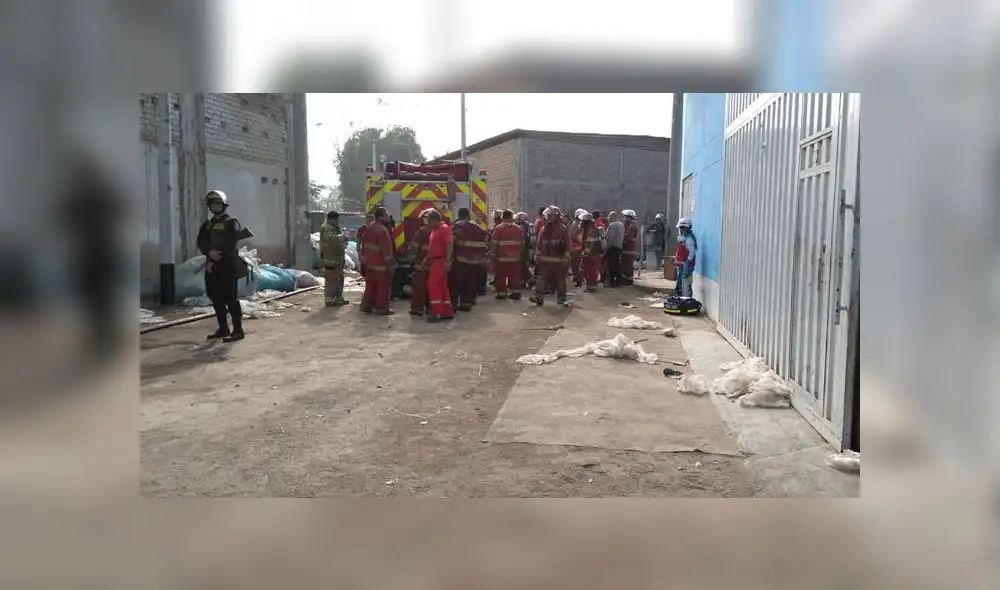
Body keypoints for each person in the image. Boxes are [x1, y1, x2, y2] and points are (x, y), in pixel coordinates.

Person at [196, 190, 253, 342]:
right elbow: (201, 242)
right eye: (213, 204)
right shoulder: (207, 225)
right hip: (211, 266)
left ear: (224, 205)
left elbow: (231, 242)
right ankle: (223, 328)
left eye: (218, 203)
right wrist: (209, 252)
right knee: (216, 298)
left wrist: (219, 253)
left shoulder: (231, 222)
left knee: (230, 299)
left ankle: (238, 330)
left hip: (227, 266)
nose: (215, 206)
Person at [530, 206, 571, 306]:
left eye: (550, 215)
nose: (547, 217)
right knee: (541, 279)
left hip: (558, 261)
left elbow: (568, 244)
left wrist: (566, 257)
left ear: (556, 216)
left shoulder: (563, 229)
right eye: (547, 215)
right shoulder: (544, 229)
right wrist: (537, 254)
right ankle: (539, 298)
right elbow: (539, 244)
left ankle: (561, 299)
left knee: (560, 280)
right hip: (544, 260)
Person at [449, 208, 488, 311]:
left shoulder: (457, 226)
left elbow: (451, 242)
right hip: (476, 260)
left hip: (461, 259)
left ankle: (452, 304)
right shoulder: (477, 227)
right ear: (468, 216)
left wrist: (449, 258)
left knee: (455, 282)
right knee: (470, 282)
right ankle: (466, 303)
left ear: (459, 215)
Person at [359, 207, 395, 315]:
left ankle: (366, 306)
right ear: (381, 216)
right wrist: (390, 264)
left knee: (370, 286)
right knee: (383, 287)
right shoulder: (382, 230)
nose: (388, 216)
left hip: (369, 264)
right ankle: (381, 308)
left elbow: (364, 244)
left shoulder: (370, 227)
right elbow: (386, 250)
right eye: (386, 214)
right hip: (380, 265)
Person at [424, 210, 455, 322]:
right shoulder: (435, 230)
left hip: (440, 261)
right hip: (436, 261)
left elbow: (449, 244)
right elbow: (433, 247)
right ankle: (447, 311)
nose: (427, 223)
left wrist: (447, 260)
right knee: (442, 286)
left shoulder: (444, 229)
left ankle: (437, 311)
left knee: (432, 284)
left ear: (434, 220)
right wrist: (426, 260)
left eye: (428, 221)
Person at [490, 209, 525, 300]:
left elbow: (494, 242)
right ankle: (516, 293)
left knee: (501, 276)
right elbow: (522, 243)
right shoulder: (518, 228)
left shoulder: (499, 228)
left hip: (502, 258)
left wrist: (493, 254)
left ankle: (501, 294)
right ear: (511, 217)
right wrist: (519, 254)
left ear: (502, 217)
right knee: (515, 276)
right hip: (515, 258)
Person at [319, 210, 349, 307]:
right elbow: (331, 239)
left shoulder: (334, 227)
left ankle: (338, 298)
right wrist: (342, 237)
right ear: (333, 219)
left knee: (339, 278)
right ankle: (330, 299)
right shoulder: (326, 228)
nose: (338, 222)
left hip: (337, 258)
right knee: (332, 280)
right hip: (331, 258)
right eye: (337, 219)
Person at [408, 210, 434, 315]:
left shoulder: (422, 232)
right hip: (435, 266)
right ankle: (431, 308)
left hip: (421, 266)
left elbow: (414, 248)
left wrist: (411, 260)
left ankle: (417, 309)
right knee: (433, 289)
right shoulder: (441, 231)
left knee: (419, 289)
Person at [578, 213, 603, 291]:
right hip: (592, 254)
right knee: (589, 270)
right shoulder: (590, 229)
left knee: (591, 270)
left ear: (586, 222)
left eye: (582, 221)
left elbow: (590, 244)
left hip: (592, 255)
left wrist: (585, 253)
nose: (581, 223)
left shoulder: (591, 230)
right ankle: (590, 286)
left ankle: (591, 287)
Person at [674, 217, 697, 298]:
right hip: (681, 265)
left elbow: (692, 252)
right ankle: (679, 299)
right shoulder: (682, 239)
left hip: (687, 266)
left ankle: (688, 300)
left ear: (686, 228)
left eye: (681, 228)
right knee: (679, 285)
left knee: (687, 285)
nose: (680, 230)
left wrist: (687, 262)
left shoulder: (689, 239)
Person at [604, 211, 625, 287]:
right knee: (617, 265)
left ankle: (612, 282)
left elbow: (610, 237)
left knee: (611, 265)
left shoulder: (612, 225)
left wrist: (607, 247)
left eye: (609, 217)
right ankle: (618, 282)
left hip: (612, 247)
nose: (608, 219)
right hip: (619, 246)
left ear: (612, 217)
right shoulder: (621, 224)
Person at [514, 212, 532, 289]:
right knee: (523, 266)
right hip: (525, 249)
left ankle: (527, 281)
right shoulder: (527, 226)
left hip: (521, 249)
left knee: (521, 266)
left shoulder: (521, 227)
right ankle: (525, 282)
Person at [620, 209, 639, 285]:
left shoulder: (632, 226)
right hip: (627, 247)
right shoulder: (629, 225)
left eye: (625, 217)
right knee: (625, 264)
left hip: (629, 247)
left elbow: (628, 237)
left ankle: (628, 280)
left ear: (630, 217)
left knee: (628, 264)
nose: (624, 219)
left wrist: (622, 238)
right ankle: (625, 279)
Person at [568, 209, 586, 286]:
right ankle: (578, 278)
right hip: (576, 247)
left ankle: (578, 278)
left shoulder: (577, 224)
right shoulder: (576, 224)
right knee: (577, 264)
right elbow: (570, 235)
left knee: (577, 265)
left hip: (577, 248)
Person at [355, 212, 374, 277]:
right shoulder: (361, 229)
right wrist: (360, 256)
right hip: (365, 255)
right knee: (366, 275)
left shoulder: (378, 229)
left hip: (376, 256)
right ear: (365, 218)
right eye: (368, 217)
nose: (370, 219)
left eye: (372, 217)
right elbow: (358, 244)